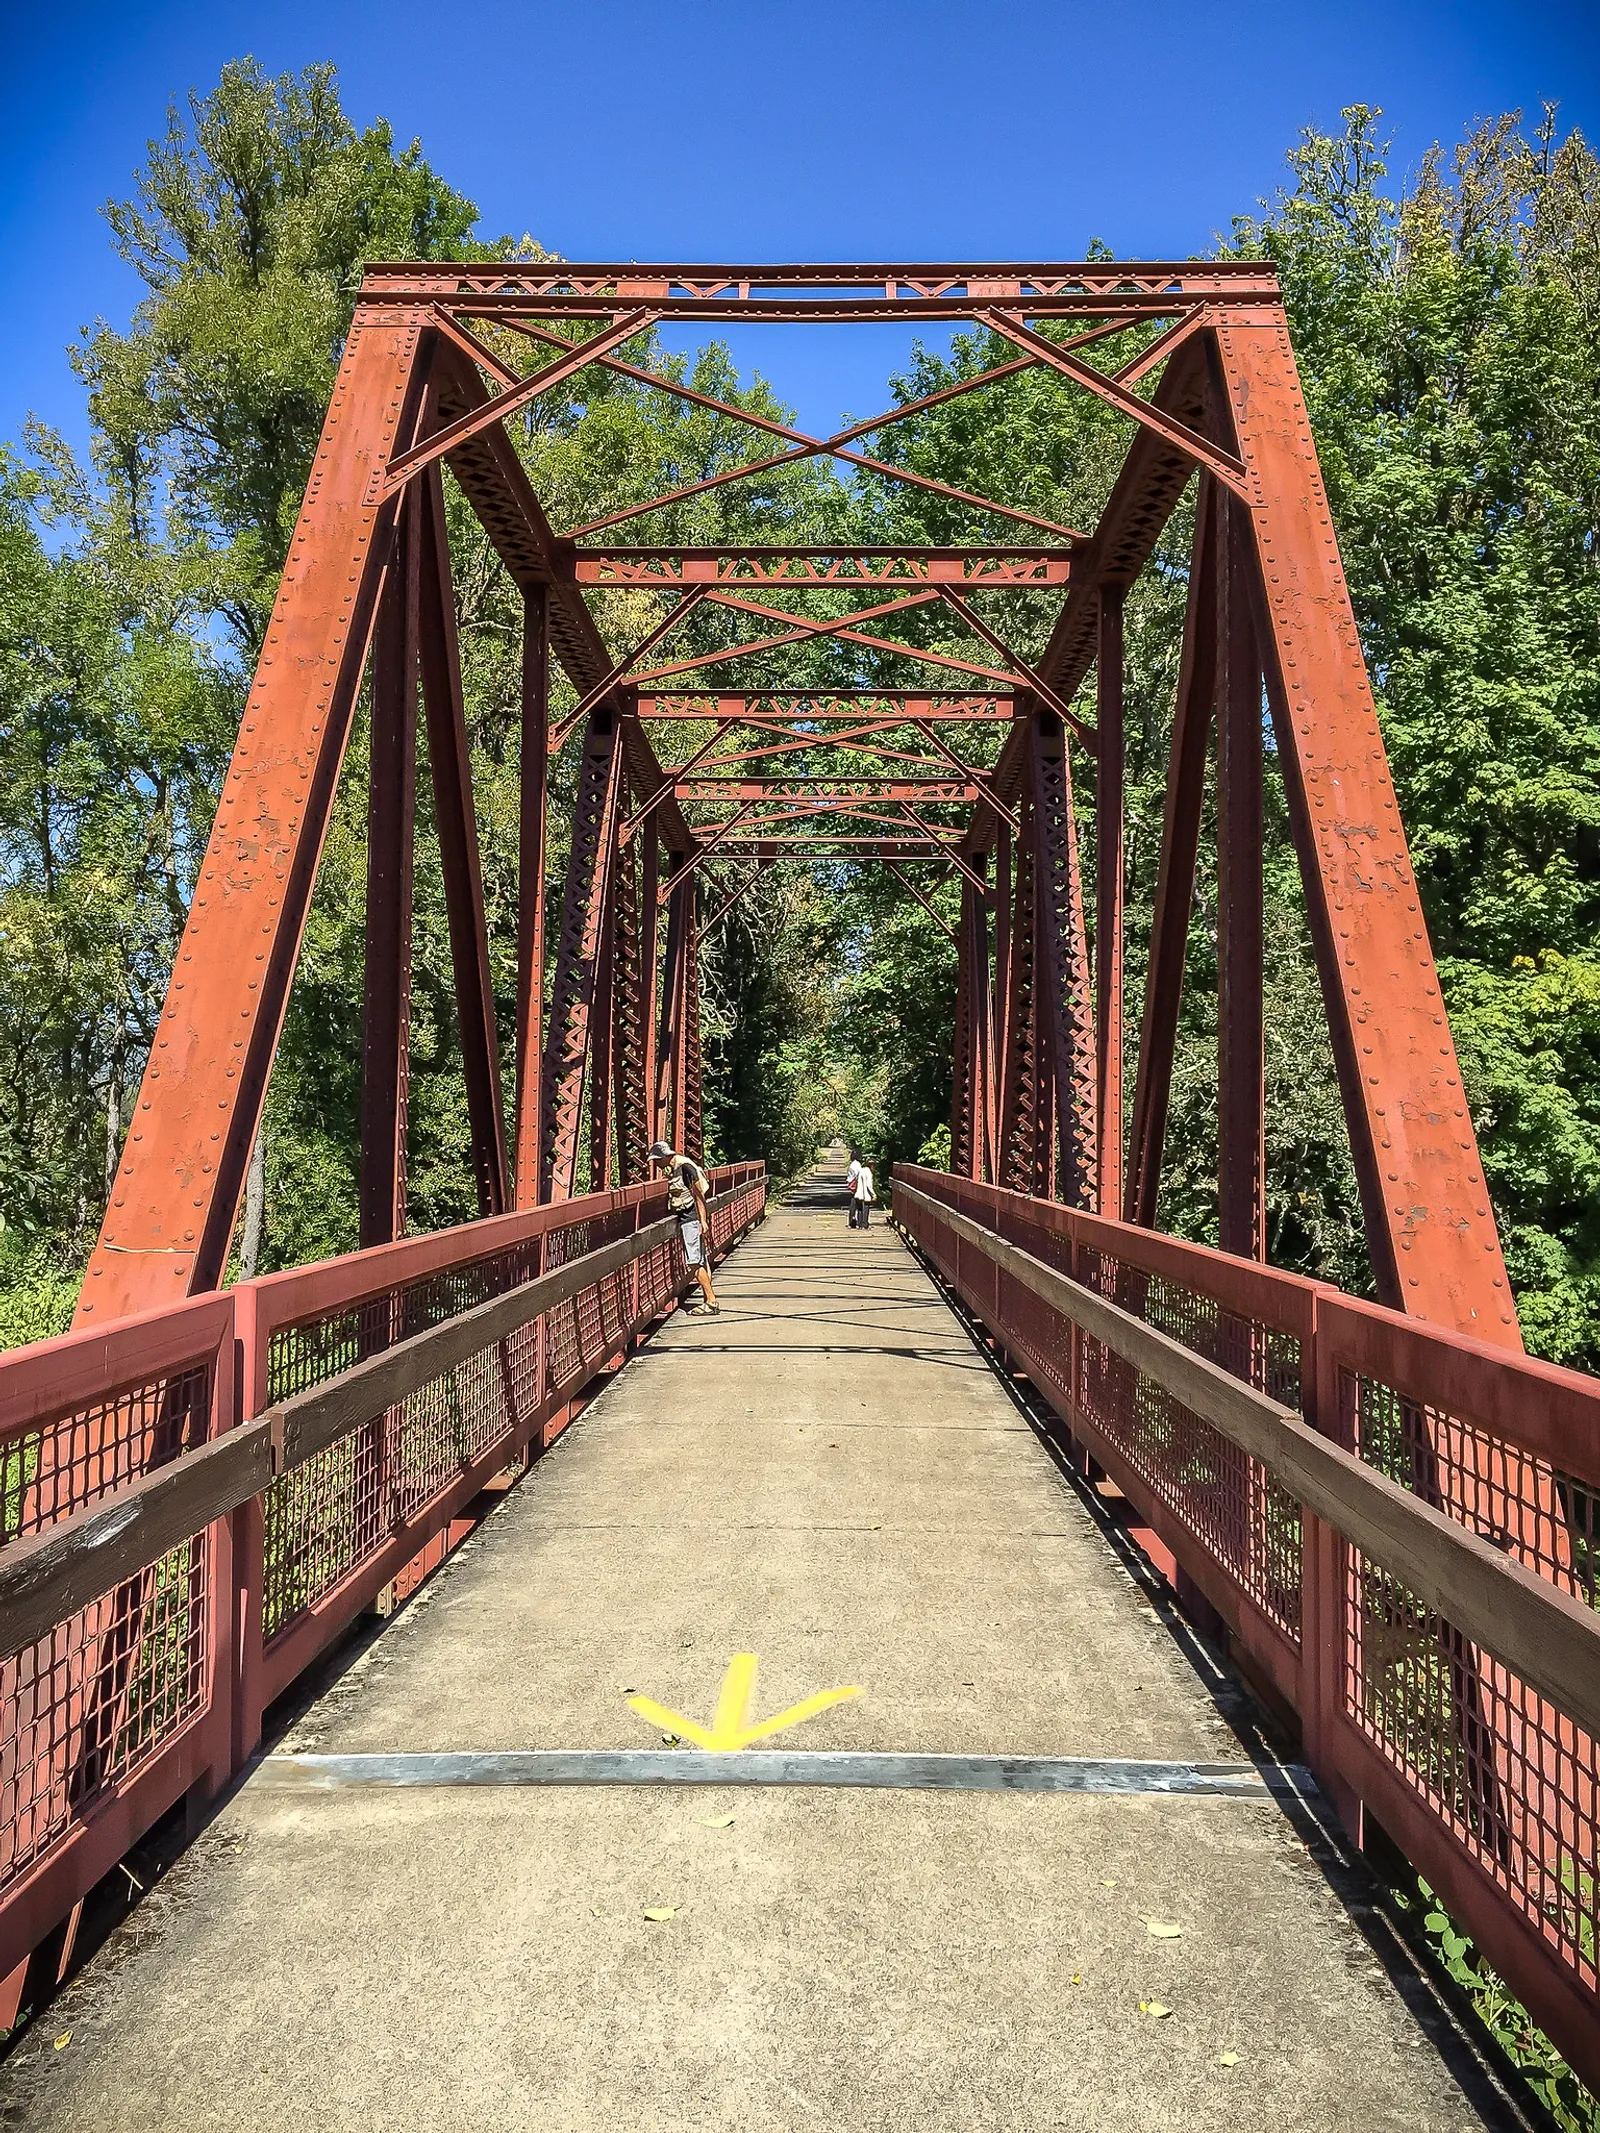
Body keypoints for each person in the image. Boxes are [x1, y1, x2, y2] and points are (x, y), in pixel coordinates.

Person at [649, 1140, 719, 1313]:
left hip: (691, 1219)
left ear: (664, 1157)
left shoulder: (685, 1167)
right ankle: (708, 1300)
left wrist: (702, 1220)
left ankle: (711, 1301)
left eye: (657, 1160)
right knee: (700, 1260)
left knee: (694, 1261)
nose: (656, 1164)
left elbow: (698, 1195)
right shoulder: (677, 1168)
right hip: (690, 1219)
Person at [852, 1156, 876, 1230]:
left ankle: (859, 1224)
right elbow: (869, 1185)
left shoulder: (861, 1170)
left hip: (859, 1193)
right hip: (866, 1194)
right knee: (866, 1209)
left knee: (859, 1209)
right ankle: (864, 1224)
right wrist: (873, 1194)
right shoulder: (868, 1172)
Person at [845, 1147, 862, 1225]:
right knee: (858, 1203)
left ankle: (852, 1219)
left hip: (851, 1183)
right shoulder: (857, 1164)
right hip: (856, 1184)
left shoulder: (852, 1164)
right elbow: (859, 1174)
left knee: (853, 1201)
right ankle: (858, 1221)